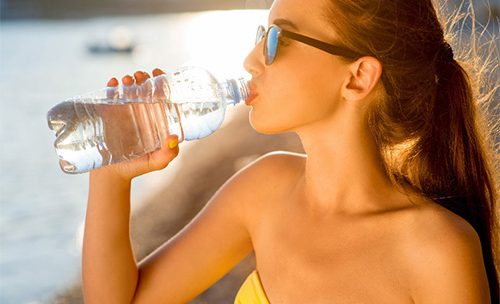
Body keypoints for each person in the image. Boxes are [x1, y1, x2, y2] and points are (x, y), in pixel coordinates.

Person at [82, 0, 499, 303]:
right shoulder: (263, 190)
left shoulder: (437, 250)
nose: (249, 60)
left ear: (358, 78)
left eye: (277, 40)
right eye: (260, 36)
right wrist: (110, 170)